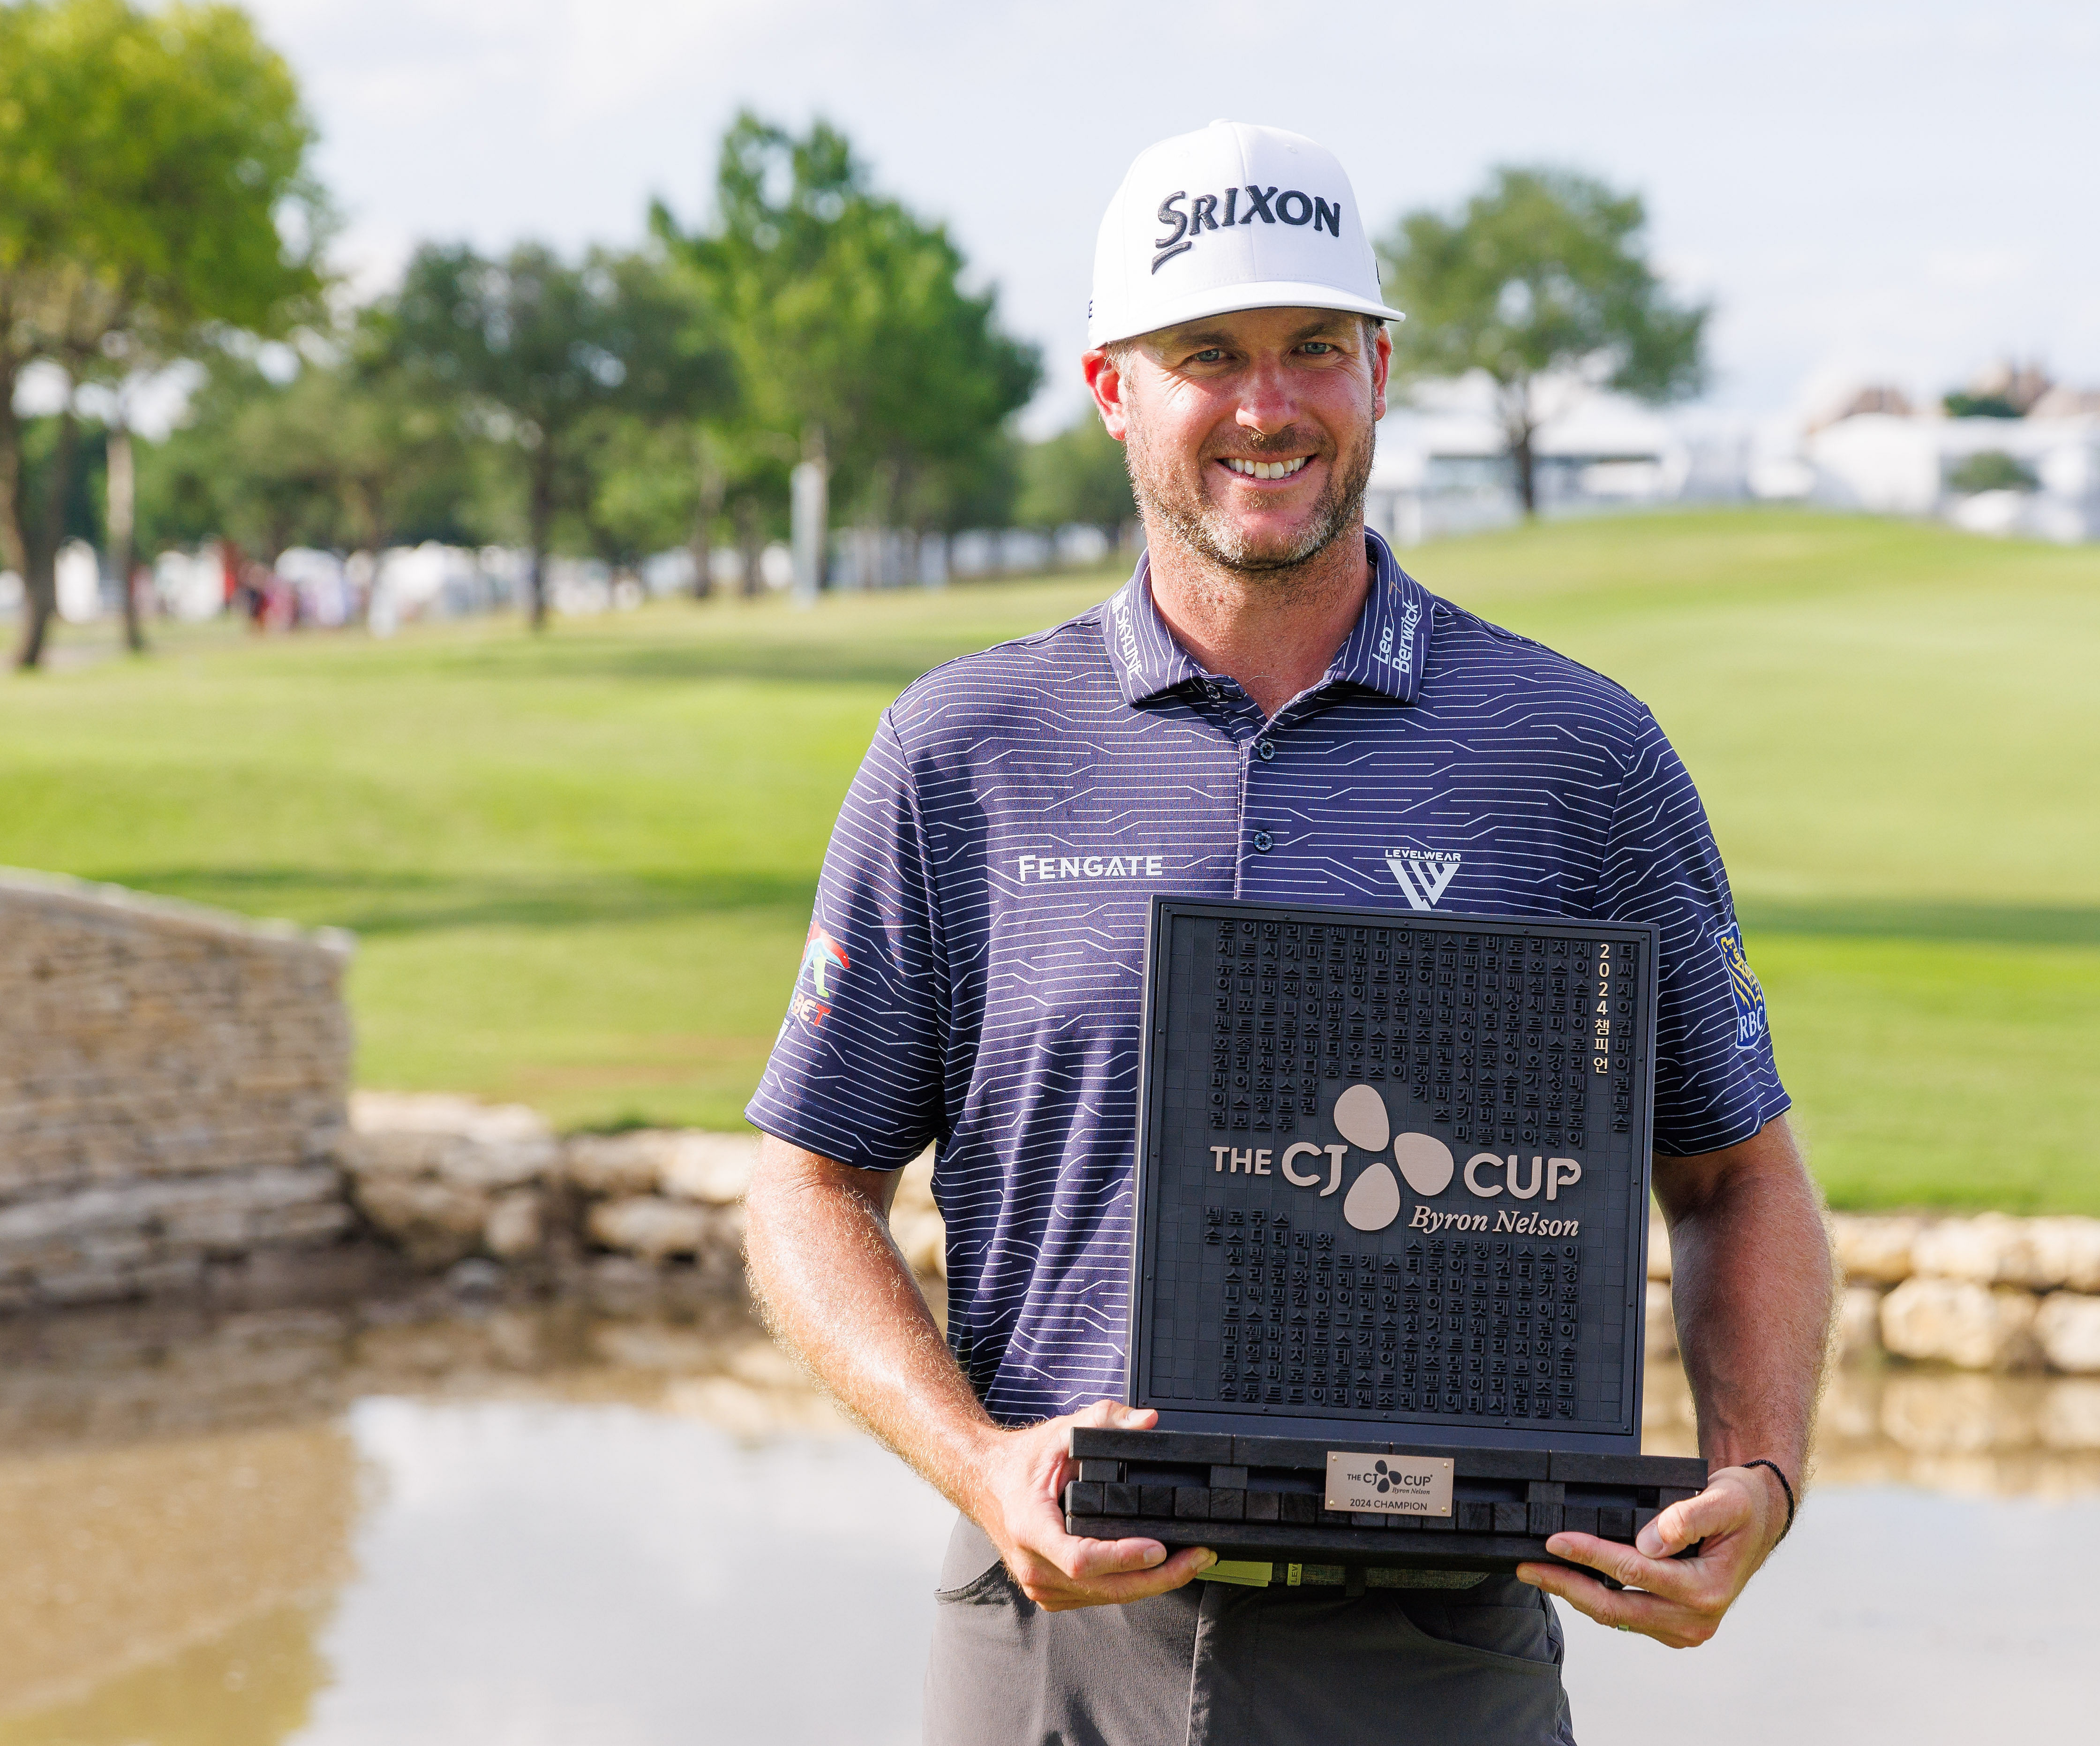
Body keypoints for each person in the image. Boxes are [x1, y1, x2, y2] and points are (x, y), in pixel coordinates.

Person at [741, 120, 1833, 1745]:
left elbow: (1739, 1177)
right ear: (1115, 388)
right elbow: (806, 1179)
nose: (1268, 404)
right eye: (1209, 354)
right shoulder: (961, 751)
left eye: (1314, 347)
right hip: (1050, 1636)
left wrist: (1761, 1469)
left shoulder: (1576, 754)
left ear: (1379, 371)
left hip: (1438, 1648)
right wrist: (980, 1461)